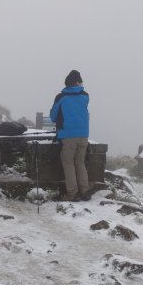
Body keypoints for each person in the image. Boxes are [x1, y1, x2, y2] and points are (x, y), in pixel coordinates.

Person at [50, 70, 91, 202]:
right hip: (84, 135)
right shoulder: (85, 96)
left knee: (68, 163)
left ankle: (72, 193)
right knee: (80, 162)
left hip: (68, 135)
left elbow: (52, 116)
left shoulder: (61, 97)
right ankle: (85, 191)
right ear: (77, 82)